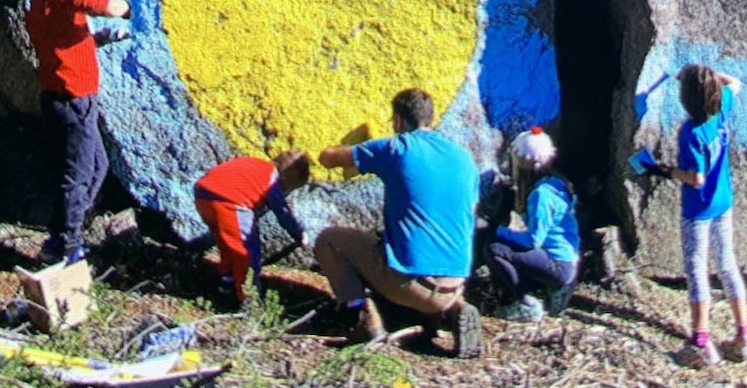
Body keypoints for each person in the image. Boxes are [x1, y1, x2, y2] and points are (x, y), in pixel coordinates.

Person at [316, 88, 482, 358]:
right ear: (431, 117)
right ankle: (455, 309)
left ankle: (363, 318)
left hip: (411, 284)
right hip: (455, 282)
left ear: (398, 121)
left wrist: (356, 147)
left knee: (330, 239)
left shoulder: (396, 148)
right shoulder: (463, 158)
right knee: (403, 245)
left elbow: (329, 158)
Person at [24, 0, 131, 265]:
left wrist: (100, 38)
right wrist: (125, 9)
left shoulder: (43, 2)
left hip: (66, 97)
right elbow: (104, 5)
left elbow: (64, 43)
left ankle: (61, 236)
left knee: (97, 166)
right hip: (74, 98)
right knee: (80, 174)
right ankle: (67, 249)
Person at [669, 64, 747, 368]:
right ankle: (744, 335)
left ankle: (701, 343)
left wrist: (666, 170)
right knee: (727, 262)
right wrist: (707, 79)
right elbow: (737, 81)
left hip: (698, 209)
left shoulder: (689, 132)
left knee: (697, 270)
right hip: (723, 202)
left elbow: (696, 178)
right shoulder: (721, 111)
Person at [486, 127, 581, 321]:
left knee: (495, 249)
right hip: (568, 260)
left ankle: (527, 303)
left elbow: (532, 241)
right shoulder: (558, 184)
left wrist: (497, 230)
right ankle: (552, 289)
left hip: (558, 265)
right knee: (515, 251)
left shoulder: (541, 195)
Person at [193, 151, 310, 306]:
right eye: (289, 188)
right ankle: (250, 302)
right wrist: (299, 234)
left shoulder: (255, 163)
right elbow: (282, 212)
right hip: (231, 202)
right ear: (286, 179)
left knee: (227, 244)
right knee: (247, 253)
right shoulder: (272, 181)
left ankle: (226, 283)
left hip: (203, 196)